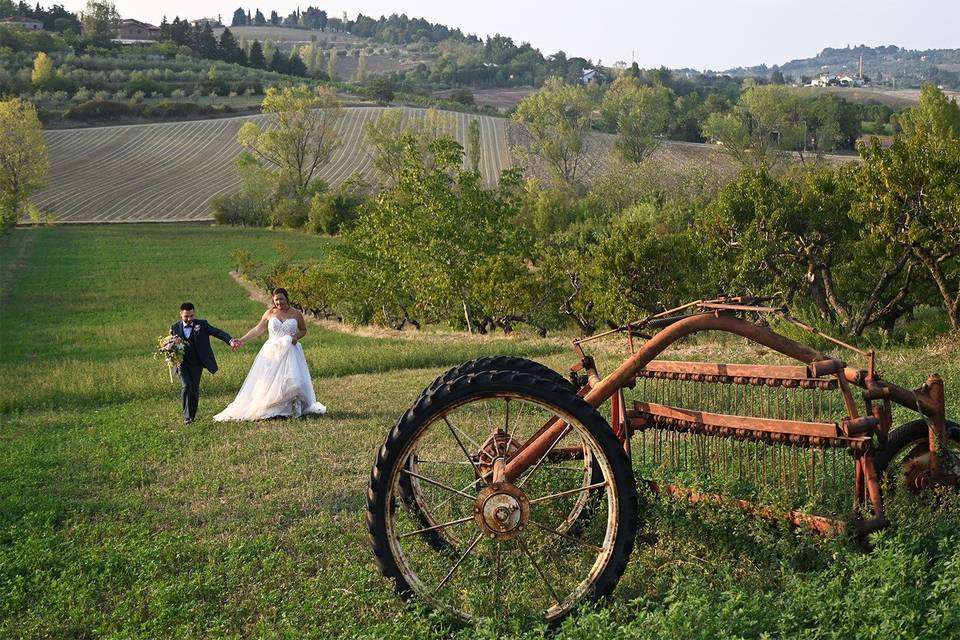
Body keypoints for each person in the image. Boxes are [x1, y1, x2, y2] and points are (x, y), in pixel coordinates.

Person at [214, 288, 326, 421]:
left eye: (281, 299)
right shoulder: (270, 313)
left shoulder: (296, 313)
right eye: (276, 299)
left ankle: (293, 408)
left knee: (293, 380)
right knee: (269, 380)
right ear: (273, 300)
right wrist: (242, 340)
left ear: (287, 298)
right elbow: (258, 329)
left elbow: (303, 330)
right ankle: (272, 408)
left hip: (290, 350)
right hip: (272, 351)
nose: (279, 302)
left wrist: (296, 337)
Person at [170, 302, 239, 424]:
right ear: (181, 314)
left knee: (194, 388)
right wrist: (169, 348)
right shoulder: (174, 327)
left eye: (191, 315)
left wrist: (230, 340)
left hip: (197, 363)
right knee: (186, 386)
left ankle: (192, 416)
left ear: (194, 313)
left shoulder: (202, 324)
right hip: (182, 363)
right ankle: (186, 417)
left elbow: (217, 332)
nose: (189, 319)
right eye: (186, 316)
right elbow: (169, 344)